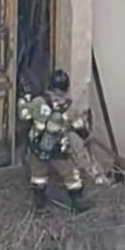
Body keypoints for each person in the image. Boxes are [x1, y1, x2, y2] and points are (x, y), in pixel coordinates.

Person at [17, 69, 91, 213]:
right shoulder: (68, 107)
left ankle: (40, 204)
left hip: (37, 147)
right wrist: (86, 136)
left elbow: (24, 115)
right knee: (70, 175)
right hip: (59, 149)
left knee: (38, 175)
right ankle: (78, 203)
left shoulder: (38, 102)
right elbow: (79, 125)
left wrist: (23, 101)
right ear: (66, 88)